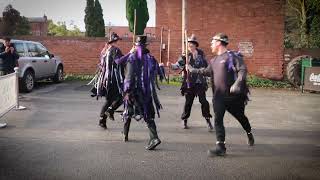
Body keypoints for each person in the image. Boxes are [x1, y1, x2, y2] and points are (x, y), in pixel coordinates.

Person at [188, 33, 254, 156]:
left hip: (233, 97)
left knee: (241, 117)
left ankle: (249, 132)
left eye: (212, 42)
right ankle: (221, 147)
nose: (211, 44)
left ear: (218, 42)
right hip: (218, 97)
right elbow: (206, 71)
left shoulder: (232, 57)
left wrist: (238, 83)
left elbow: (242, 70)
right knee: (218, 120)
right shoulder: (213, 60)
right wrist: (192, 70)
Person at [117, 35, 162, 150]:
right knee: (147, 114)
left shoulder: (132, 57)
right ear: (145, 46)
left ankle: (152, 137)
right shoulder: (150, 58)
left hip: (135, 92)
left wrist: (127, 91)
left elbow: (129, 76)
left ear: (136, 46)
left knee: (128, 110)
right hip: (146, 92)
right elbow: (157, 71)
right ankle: (152, 137)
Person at [168, 34, 213, 131]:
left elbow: (206, 66)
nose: (189, 45)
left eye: (191, 44)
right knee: (188, 102)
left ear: (195, 45)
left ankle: (208, 120)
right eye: (188, 44)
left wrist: (205, 73)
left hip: (200, 82)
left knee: (204, 102)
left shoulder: (201, 54)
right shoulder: (185, 56)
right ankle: (184, 120)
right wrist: (170, 65)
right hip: (189, 82)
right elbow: (177, 66)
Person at [95, 32, 125, 129]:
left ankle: (102, 120)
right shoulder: (115, 50)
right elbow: (119, 61)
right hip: (113, 79)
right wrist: (130, 54)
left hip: (107, 79)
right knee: (121, 97)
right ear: (115, 41)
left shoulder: (106, 50)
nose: (118, 43)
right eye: (118, 41)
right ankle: (110, 111)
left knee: (109, 101)